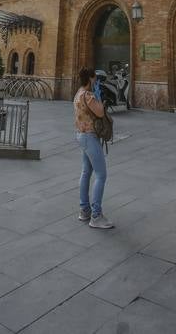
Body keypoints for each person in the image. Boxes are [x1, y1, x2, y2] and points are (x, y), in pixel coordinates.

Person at [73, 66, 114, 229]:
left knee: (86, 172)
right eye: (94, 78)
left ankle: (84, 210)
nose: (96, 80)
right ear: (90, 78)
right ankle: (96, 216)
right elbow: (100, 113)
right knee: (101, 175)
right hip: (90, 137)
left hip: (81, 135)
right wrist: (99, 98)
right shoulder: (88, 96)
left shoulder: (78, 93)